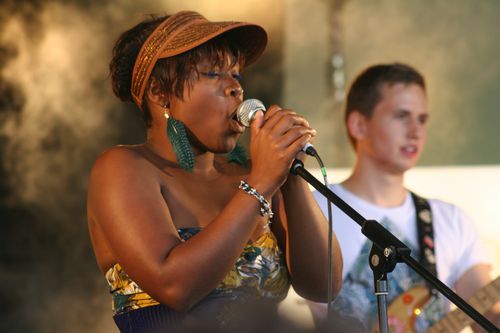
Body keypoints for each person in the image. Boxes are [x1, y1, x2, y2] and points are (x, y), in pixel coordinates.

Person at [86, 10, 342, 332]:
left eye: (236, 75)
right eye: (214, 73)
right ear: (159, 93)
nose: (235, 88)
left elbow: (323, 286)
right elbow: (176, 287)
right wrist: (260, 183)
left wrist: (290, 178)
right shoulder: (124, 169)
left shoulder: (253, 176)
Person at [308, 63, 500, 332]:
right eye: (401, 116)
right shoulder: (315, 209)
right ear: (359, 125)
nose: (416, 131)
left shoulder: (450, 219)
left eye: (422, 119)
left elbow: (487, 318)